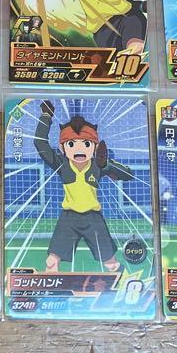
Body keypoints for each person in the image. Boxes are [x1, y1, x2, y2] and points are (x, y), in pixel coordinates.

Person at [33, 103, 133, 272]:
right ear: (62, 148)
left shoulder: (98, 165)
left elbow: (128, 174)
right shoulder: (62, 164)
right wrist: (46, 117)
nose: (79, 149)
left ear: (94, 147)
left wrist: (107, 165)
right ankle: (52, 283)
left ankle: (122, 280)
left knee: (111, 263)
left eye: (86, 144)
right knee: (51, 261)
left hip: (93, 219)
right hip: (69, 218)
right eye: (71, 144)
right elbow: (40, 143)